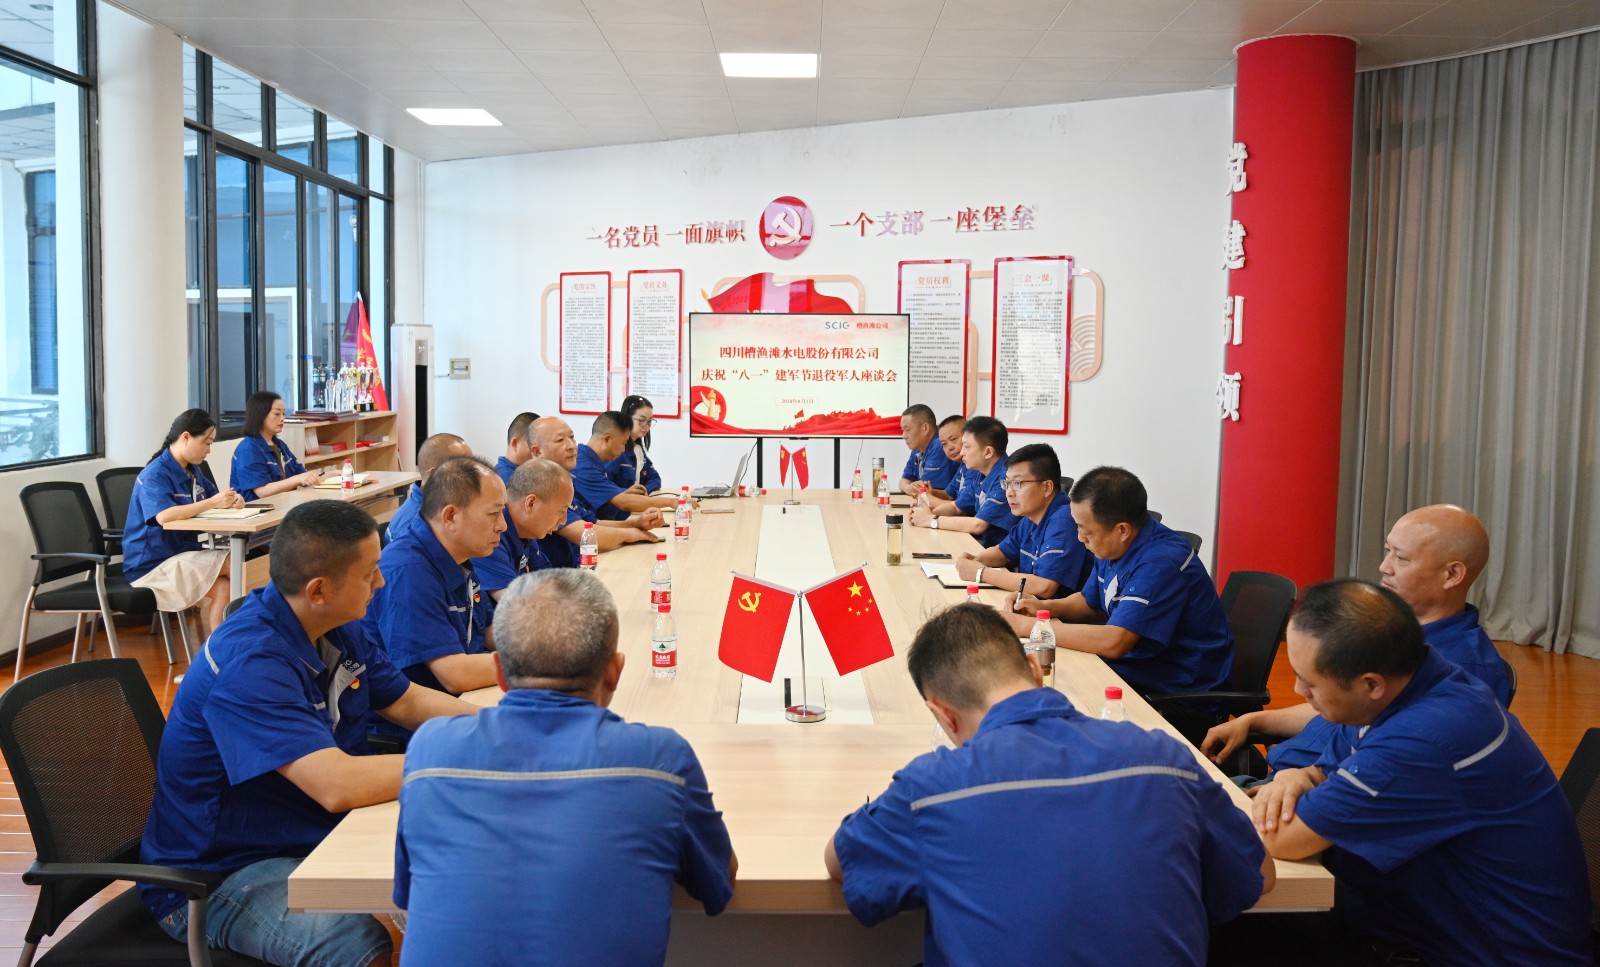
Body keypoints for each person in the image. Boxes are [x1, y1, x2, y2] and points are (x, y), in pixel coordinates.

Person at [824, 603, 1271, 966]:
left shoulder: (933, 788)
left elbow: (840, 860)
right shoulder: (1166, 758)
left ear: (943, 714)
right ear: (1036, 671)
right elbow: (1260, 874)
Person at [139, 500, 478, 967]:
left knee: (460, 858)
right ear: (318, 589)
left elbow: (405, 700)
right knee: (352, 942)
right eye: (369, 574)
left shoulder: (334, 625)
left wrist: (494, 729)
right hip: (217, 876)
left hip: (298, 831)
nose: (380, 583)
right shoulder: (252, 661)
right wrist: (465, 758)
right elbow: (336, 785)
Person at [394, 568, 737, 966]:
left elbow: (410, 893)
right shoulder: (661, 760)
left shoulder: (430, 751)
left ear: (500, 673)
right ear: (614, 671)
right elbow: (717, 882)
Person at [1251, 579, 1591, 966]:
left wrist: (1293, 782)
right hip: (1419, 921)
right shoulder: (1416, 679)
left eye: (1310, 682)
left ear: (1370, 684)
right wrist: (1295, 776)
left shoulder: (1424, 738)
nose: (1298, 690)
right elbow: (1324, 770)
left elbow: (1282, 840)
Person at [1202, 504, 1512, 775]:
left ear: (1452, 575)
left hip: (1316, 796)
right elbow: (1332, 704)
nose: (1384, 567)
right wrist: (1253, 722)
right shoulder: (1389, 631)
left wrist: (1305, 780)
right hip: (1290, 778)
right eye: (1388, 551)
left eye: (1401, 558)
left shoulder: (1466, 670)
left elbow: (1397, 767)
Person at [1011, 466, 1233, 697]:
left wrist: (1029, 627)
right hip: (1138, 668)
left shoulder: (1160, 562)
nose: (1079, 537)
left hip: (1179, 689)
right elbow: (1090, 602)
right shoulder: (1113, 544)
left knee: (1047, 687)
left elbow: (1115, 642)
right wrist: (1042, 609)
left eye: (1086, 530)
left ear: (1122, 530)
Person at [365, 456, 505, 698]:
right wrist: (542, 662)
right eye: (494, 513)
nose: (502, 525)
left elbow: (488, 631)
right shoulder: (408, 570)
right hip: (418, 714)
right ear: (450, 517)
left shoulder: (458, 555)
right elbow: (455, 674)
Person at [123, 408, 241, 636]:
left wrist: (233, 500)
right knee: (237, 564)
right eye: (206, 443)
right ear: (186, 437)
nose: (209, 450)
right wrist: (212, 503)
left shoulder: (192, 471)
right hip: (153, 565)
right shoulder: (155, 474)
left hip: (182, 555)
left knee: (225, 588)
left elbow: (215, 498)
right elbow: (164, 516)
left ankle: (219, 649)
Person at [953, 443, 1092, 597]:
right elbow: (1003, 552)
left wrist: (981, 573)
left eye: (1017, 483)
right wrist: (976, 560)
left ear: (1047, 487)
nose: (1009, 492)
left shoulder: (1064, 520)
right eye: (1007, 483)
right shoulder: (1032, 515)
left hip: (1054, 611)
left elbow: (1044, 586)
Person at [527, 415, 661, 567]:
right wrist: (630, 533)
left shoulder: (561, 480)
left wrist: (636, 523)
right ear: (537, 451)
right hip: (559, 574)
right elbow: (588, 534)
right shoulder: (542, 486)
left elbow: (592, 524)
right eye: (560, 440)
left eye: (572, 437)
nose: (571, 445)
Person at [909, 415, 1015, 549]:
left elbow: (978, 525)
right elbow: (956, 507)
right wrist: (925, 511)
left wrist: (930, 520)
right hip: (982, 545)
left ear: (988, 452)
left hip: (998, 552)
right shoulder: (982, 473)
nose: (962, 452)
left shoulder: (1005, 478)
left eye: (967, 447)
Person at [476, 458, 572, 603]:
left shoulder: (525, 530)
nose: (564, 520)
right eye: (561, 511)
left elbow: (547, 580)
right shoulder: (490, 533)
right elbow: (518, 603)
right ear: (531, 503)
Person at [573, 411, 680, 521]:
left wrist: (621, 491)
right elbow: (624, 502)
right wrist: (671, 502)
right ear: (607, 439)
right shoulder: (584, 467)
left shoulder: (590, 460)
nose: (623, 449)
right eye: (624, 443)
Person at [230, 390, 322, 500]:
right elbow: (262, 492)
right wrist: (298, 479)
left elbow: (302, 475)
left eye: (283, 414)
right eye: (277, 414)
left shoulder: (279, 444)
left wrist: (331, 475)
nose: (282, 418)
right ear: (260, 415)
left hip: (282, 502)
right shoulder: (248, 449)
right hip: (259, 507)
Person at [387, 432, 473, 540]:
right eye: (464, 470)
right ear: (435, 475)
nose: (473, 477)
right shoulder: (415, 528)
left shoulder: (441, 503)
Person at [605, 394, 664, 494]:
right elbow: (603, 486)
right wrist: (628, 493)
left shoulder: (637, 449)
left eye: (649, 421)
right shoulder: (615, 451)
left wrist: (644, 490)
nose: (646, 426)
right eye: (641, 420)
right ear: (627, 418)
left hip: (634, 501)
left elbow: (655, 478)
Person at [897, 403, 957, 495]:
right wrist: (908, 488)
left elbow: (925, 491)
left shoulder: (939, 445)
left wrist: (912, 488)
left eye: (907, 430)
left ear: (925, 428)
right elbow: (904, 480)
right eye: (903, 430)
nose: (904, 436)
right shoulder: (918, 448)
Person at [493, 411, 540, 484]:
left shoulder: (525, 472)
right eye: (534, 444)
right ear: (515, 443)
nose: (539, 451)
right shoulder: (506, 480)